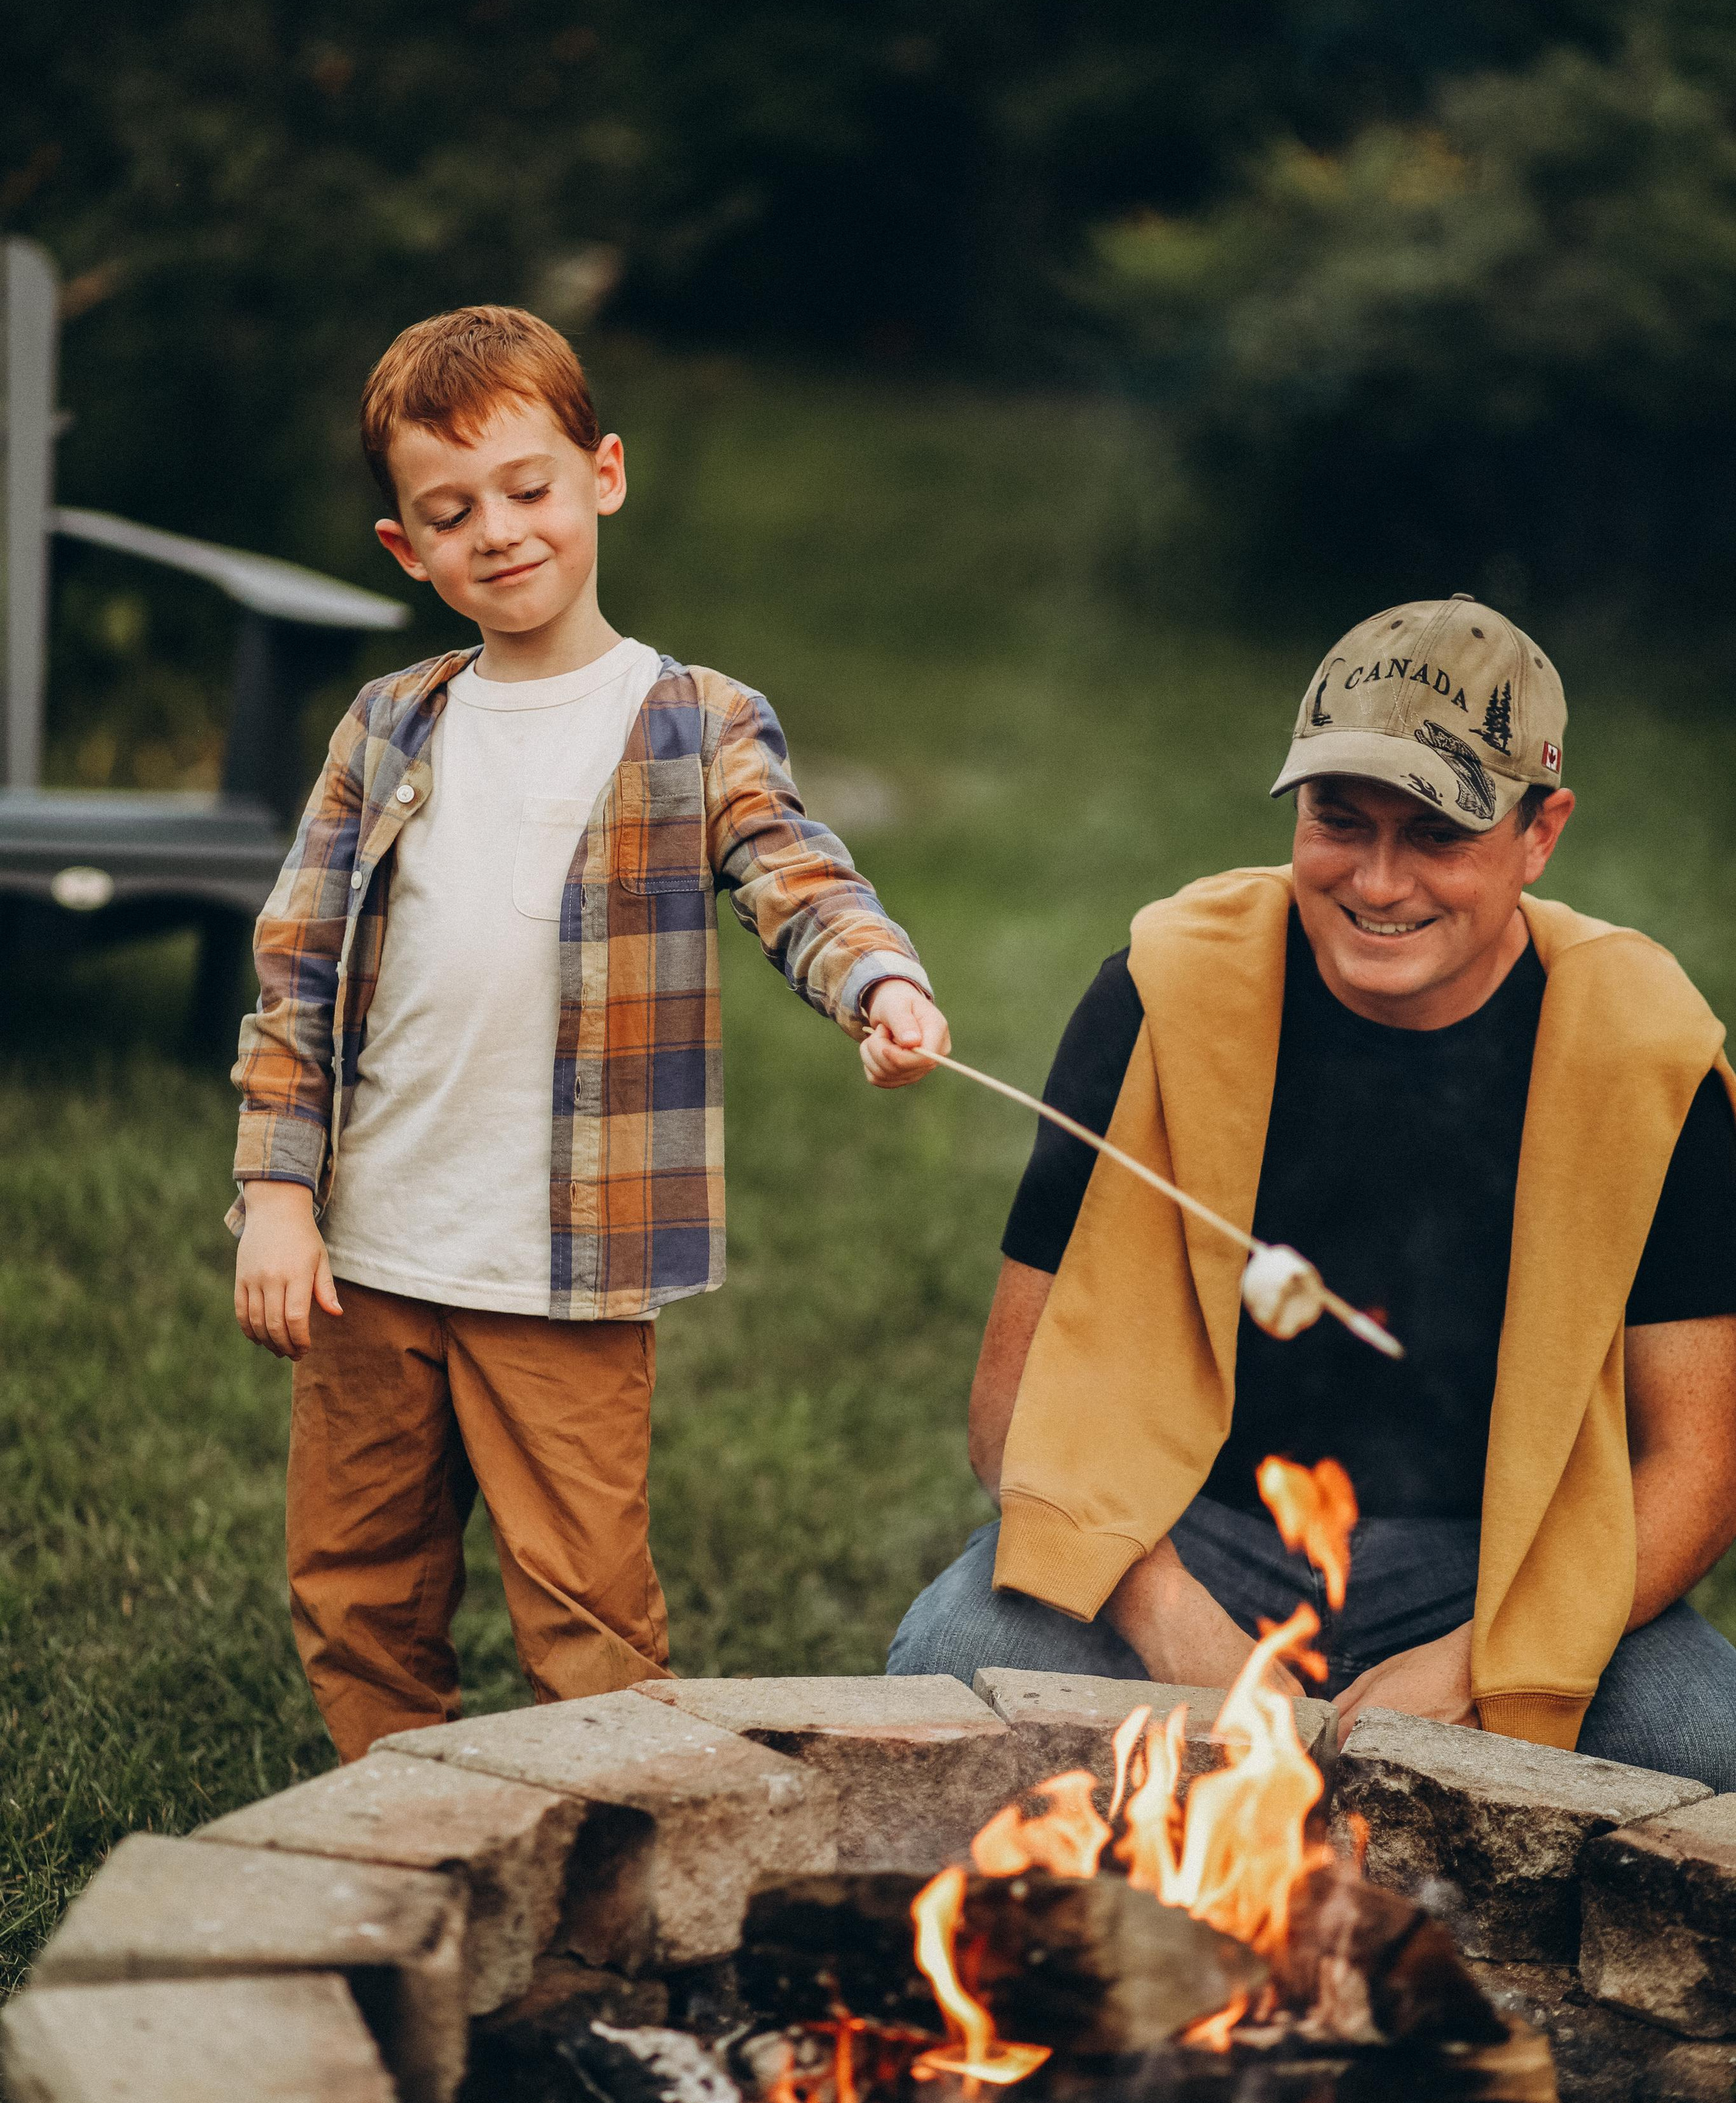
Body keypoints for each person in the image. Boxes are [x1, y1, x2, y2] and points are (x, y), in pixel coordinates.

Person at [231, 304, 948, 1761]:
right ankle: (391, 1819)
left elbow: (792, 871)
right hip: (371, 1249)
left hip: (567, 1265)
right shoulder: (389, 727)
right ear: (405, 550)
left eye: (528, 488)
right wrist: (275, 1197)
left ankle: (612, 1841)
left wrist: (876, 980)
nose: (498, 531)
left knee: (587, 1609)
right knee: (358, 1584)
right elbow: (296, 966)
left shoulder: (691, 720)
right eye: (451, 512)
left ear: (601, 476)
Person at [889, 594, 1736, 1790]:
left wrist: (1482, 1661)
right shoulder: (1162, 993)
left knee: (1706, 1748)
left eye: (1438, 835)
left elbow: (1699, 1469)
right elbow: (1011, 1399)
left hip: (1509, 1562)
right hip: (1181, 1530)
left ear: (1541, 834)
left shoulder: (1644, 1053)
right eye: (1341, 822)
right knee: (959, 1661)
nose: (1379, 884)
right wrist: (1169, 1613)